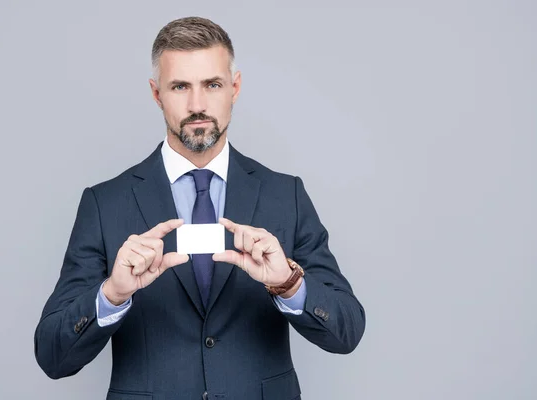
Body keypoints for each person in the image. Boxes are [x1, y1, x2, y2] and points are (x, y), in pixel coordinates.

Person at [34, 16, 366, 400]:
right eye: (180, 87)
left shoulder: (284, 195)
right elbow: (52, 356)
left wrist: (288, 283)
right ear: (157, 94)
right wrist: (111, 294)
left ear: (235, 88)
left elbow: (347, 332)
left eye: (212, 84)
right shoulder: (105, 203)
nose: (197, 105)